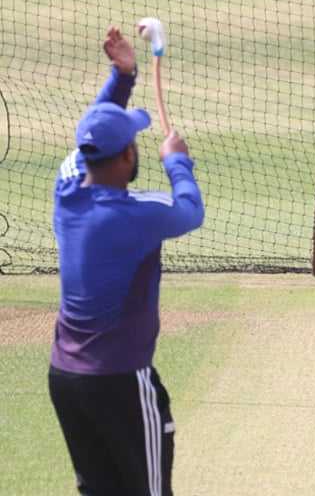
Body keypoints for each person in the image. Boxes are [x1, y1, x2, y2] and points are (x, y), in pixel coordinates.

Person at [48, 26, 205, 496]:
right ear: (127, 157)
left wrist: (123, 77)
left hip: (65, 380)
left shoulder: (67, 189)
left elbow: (92, 138)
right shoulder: (140, 214)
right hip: (120, 381)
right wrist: (177, 161)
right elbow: (190, 211)